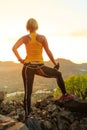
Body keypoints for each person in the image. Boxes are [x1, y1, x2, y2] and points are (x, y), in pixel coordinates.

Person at [12, 18, 74, 118]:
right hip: (39, 66)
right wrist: (55, 63)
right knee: (58, 74)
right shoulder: (42, 38)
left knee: (28, 92)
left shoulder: (24, 38)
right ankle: (65, 94)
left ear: (28, 27)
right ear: (36, 26)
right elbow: (48, 51)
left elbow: (14, 48)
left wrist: (20, 59)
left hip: (28, 67)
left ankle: (28, 116)